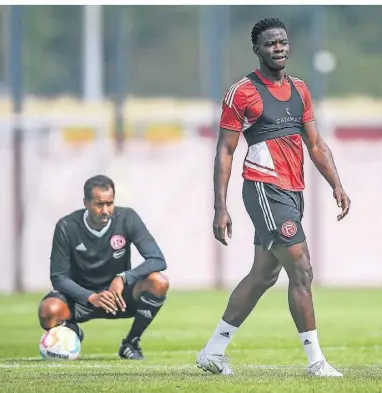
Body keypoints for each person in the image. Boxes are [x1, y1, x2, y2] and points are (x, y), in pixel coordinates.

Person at [196, 17, 350, 377]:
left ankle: (212, 352)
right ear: (257, 50)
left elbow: (315, 143)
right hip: (264, 188)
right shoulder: (242, 93)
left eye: (282, 42)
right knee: (302, 269)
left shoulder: (300, 89)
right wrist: (221, 206)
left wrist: (336, 185)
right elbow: (225, 152)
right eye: (269, 44)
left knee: (263, 276)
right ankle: (316, 362)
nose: (277, 47)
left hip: (293, 190)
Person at [38, 175, 169, 360]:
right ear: (86, 203)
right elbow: (58, 277)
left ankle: (131, 343)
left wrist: (123, 277)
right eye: (100, 204)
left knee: (159, 282)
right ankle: (72, 333)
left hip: (118, 298)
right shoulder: (67, 226)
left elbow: (157, 260)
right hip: (81, 299)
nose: (106, 210)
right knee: (49, 311)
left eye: (110, 203)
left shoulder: (127, 218)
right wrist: (89, 297)